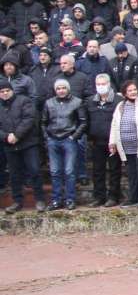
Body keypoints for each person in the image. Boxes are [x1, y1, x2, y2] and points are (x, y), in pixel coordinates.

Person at [108, 80, 138, 207]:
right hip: (126, 146)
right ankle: (133, 197)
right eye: (129, 90)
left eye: (134, 89)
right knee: (131, 173)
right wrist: (112, 142)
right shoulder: (120, 106)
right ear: (124, 93)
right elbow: (114, 124)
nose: (133, 92)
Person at [0, 80, 45, 213]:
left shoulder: (24, 101)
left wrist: (17, 135)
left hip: (28, 143)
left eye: (7, 90)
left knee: (35, 171)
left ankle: (40, 200)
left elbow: (29, 119)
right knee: (14, 175)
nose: (5, 93)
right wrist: (6, 136)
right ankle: (17, 202)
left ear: (12, 90)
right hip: (9, 145)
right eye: (2, 92)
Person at [42, 78, 87, 210]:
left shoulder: (77, 102)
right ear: (55, 90)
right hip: (53, 140)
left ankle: (70, 199)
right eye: (58, 88)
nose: (61, 90)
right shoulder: (49, 103)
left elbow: (83, 122)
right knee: (55, 171)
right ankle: (56, 200)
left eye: (63, 88)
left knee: (69, 171)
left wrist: (74, 137)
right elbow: (43, 122)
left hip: (69, 139)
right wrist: (47, 138)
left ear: (68, 89)